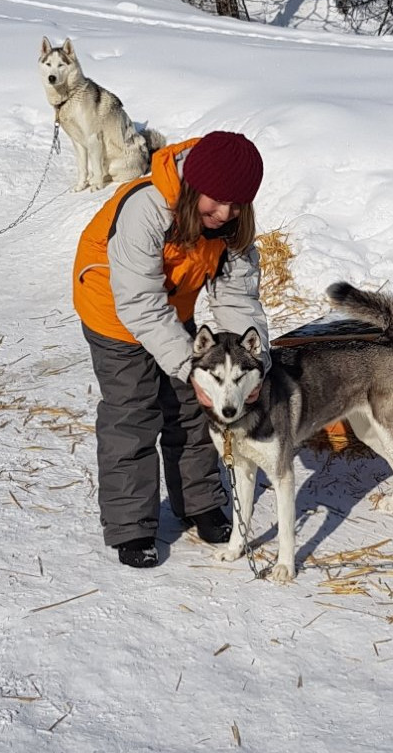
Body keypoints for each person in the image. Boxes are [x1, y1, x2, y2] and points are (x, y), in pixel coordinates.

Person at [72, 131, 269, 568]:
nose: (225, 213)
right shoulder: (147, 207)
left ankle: (200, 502)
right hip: (113, 308)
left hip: (170, 304)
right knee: (133, 412)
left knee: (190, 407)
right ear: (194, 187)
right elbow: (139, 302)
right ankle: (132, 525)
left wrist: (256, 366)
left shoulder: (230, 226)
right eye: (217, 201)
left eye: (238, 204)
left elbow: (236, 301)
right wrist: (188, 365)